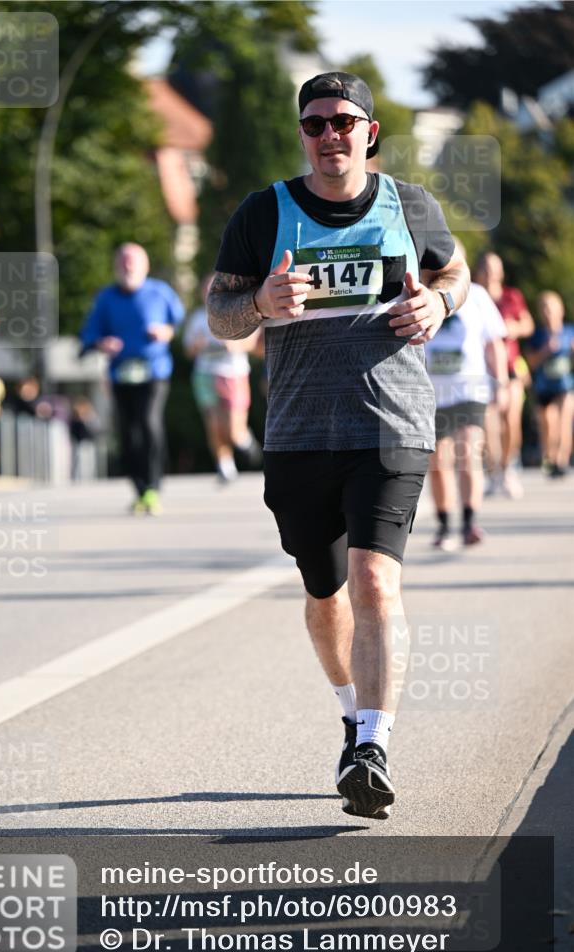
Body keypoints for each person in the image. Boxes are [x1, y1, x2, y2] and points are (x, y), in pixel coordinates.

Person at [207, 72, 469, 820]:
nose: (330, 136)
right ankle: (353, 711)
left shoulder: (408, 205)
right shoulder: (264, 213)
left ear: (370, 131)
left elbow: (457, 273)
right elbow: (219, 313)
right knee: (325, 595)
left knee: (374, 582)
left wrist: (438, 301)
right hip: (298, 434)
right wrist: (256, 304)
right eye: (315, 124)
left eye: (344, 122)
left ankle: (371, 746)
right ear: (303, 135)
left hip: (391, 423)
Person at [79, 243, 185, 515]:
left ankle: (154, 487)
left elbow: (179, 323)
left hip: (154, 371)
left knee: (149, 424)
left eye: (133, 262)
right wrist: (102, 343)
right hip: (120, 374)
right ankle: (140, 490)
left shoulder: (160, 293)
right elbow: (88, 337)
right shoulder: (106, 298)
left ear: (144, 266)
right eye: (123, 262)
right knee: (127, 433)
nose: (128, 267)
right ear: (116, 266)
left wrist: (166, 332)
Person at [425, 241, 509, 550]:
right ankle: (445, 525)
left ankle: (470, 523)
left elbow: (494, 343)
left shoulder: (477, 295)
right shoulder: (419, 291)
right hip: (431, 393)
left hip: (469, 388)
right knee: (438, 463)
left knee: (468, 454)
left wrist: (500, 383)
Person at [183, 274, 262, 482]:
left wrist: (233, 345)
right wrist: (197, 346)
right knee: (213, 423)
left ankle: (245, 443)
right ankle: (225, 466)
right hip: (206, 374)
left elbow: (254, 344)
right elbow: (188, 351)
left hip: (232, 374)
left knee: (233, 428)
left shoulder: (237, 313)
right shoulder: (198, 318)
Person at [473, 251, 533, 498]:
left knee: (512, 419)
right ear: (478, 271)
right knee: (489, 424)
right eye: (486, 267)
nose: (490, 272)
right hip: (481, 369)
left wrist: (513, 328)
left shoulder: (512, 296)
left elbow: (528, 324)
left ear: (501, 272)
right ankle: (493, 471)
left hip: (511, 366)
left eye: (494, 268)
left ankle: (508, 467)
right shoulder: (473, 296)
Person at [525, 291, 574, 478]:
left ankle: (561, 461)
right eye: (544, 308)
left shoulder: (569, 332)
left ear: (560, 310)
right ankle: (550, 458)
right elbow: (531, 362)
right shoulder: (537, 336)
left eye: (551, 308)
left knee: (564, 422)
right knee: (548, 425)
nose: (548, 312)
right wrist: (546, 350)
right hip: (544, 388)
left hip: (565, 385)